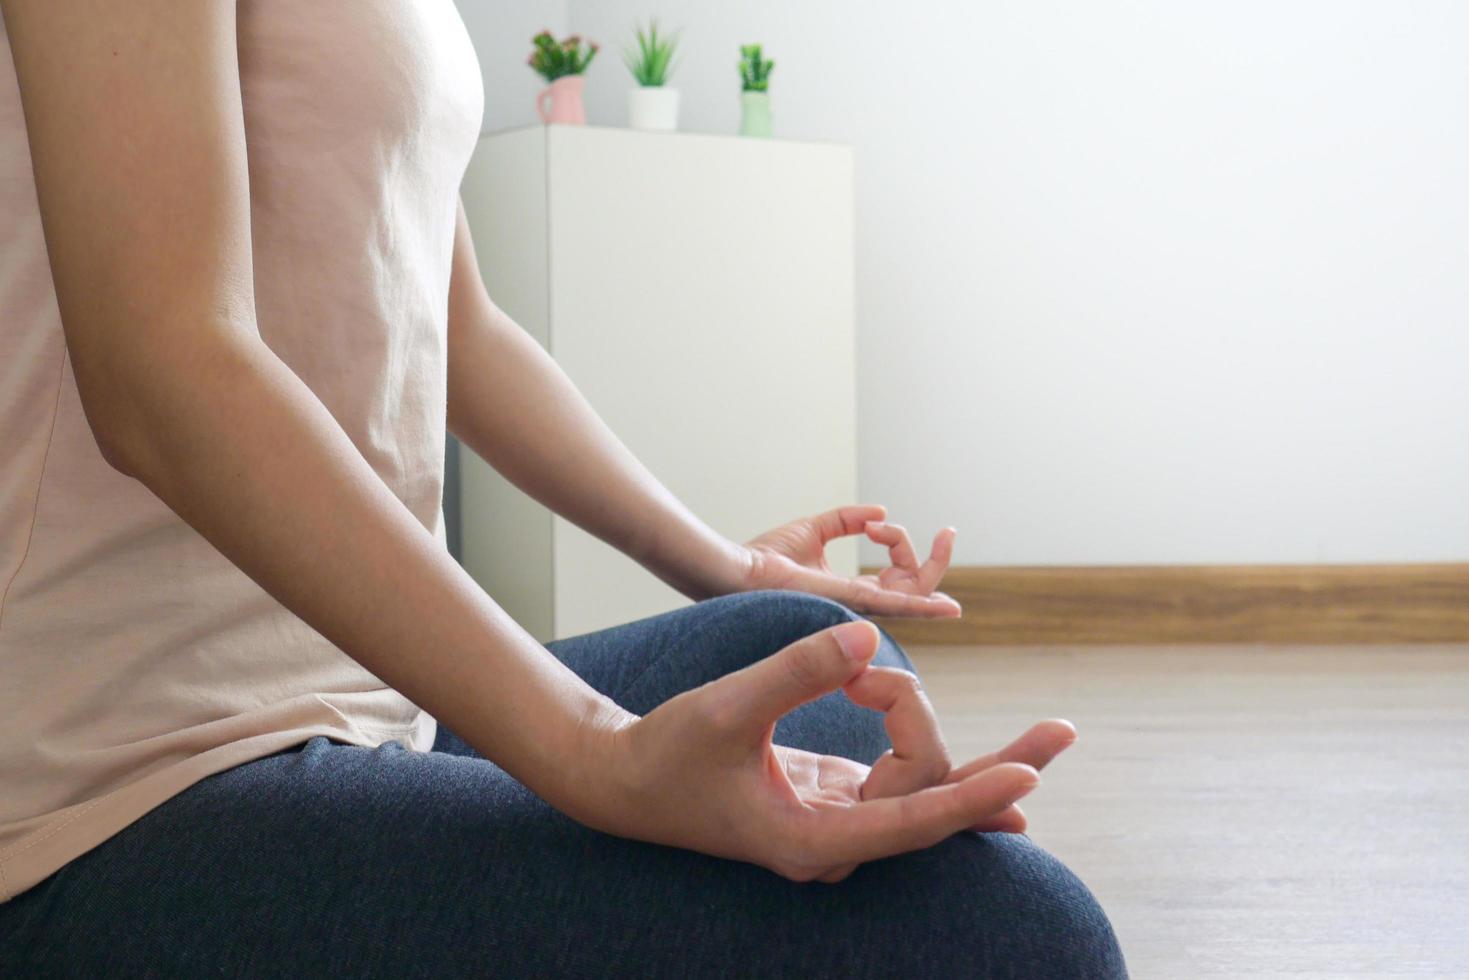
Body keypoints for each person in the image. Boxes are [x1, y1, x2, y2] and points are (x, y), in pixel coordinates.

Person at [0, 2, 1126, 976]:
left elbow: (463, 330)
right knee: (1009, 939)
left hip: (374, 711)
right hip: (112, 791)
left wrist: (720, 564)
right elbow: (162, 363)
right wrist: (594, 753)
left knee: (813, 653)